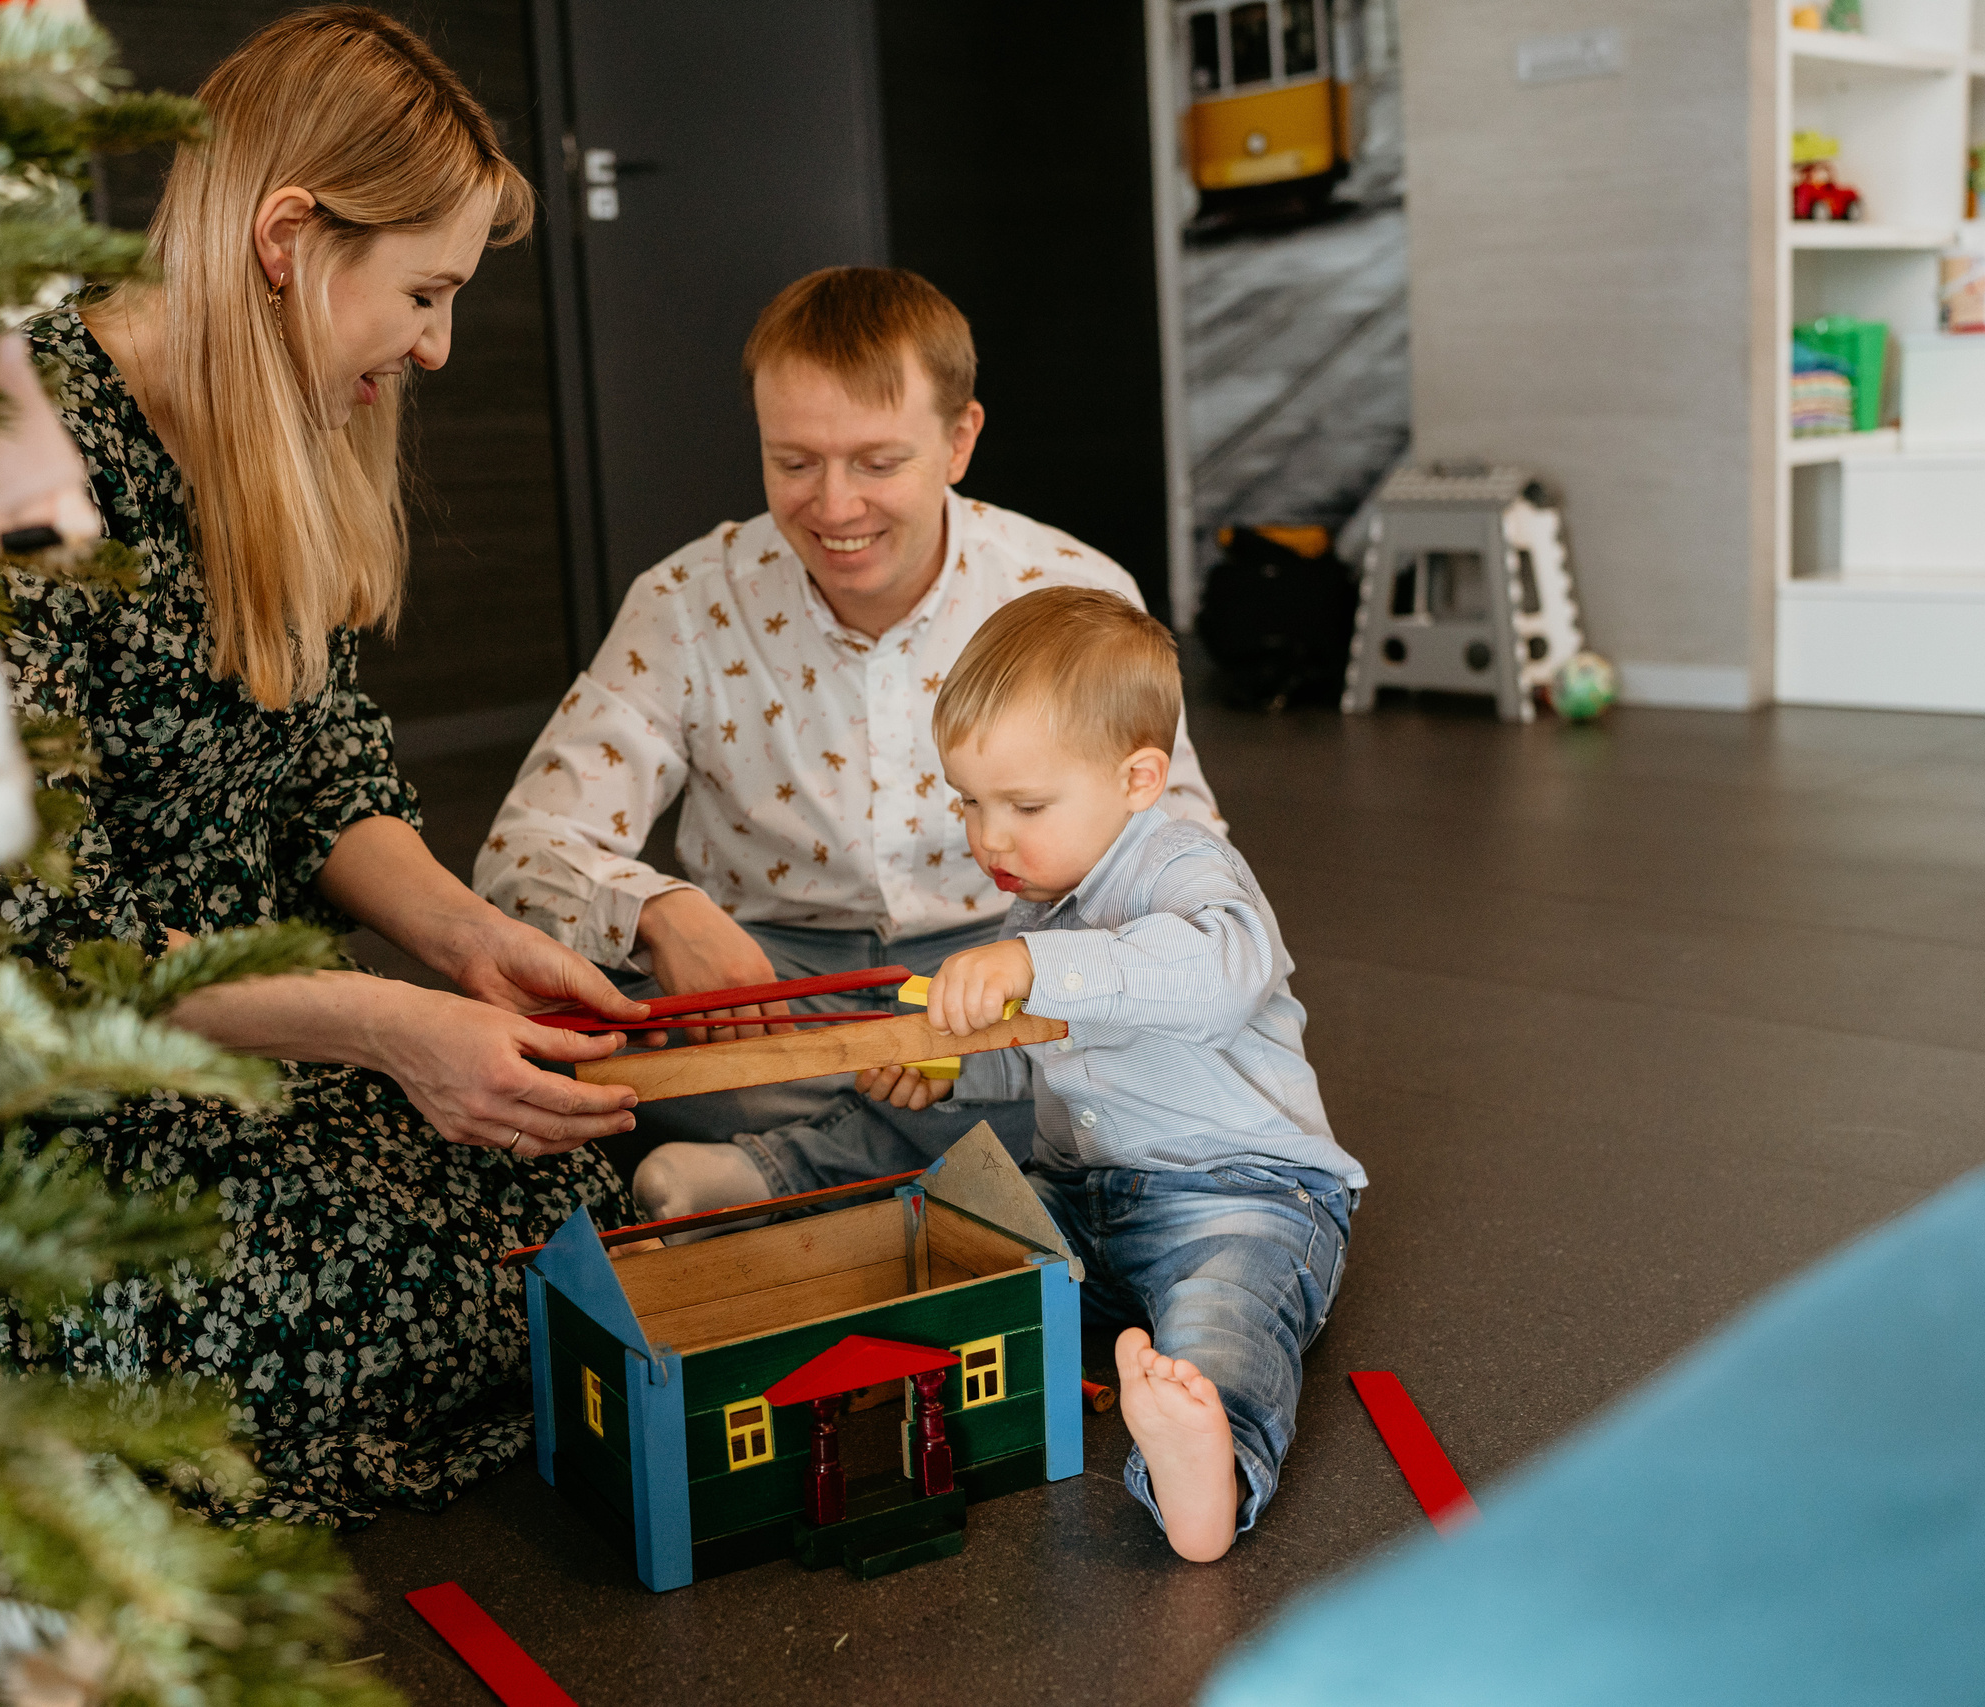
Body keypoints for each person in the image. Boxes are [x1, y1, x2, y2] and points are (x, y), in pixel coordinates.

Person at [0, 7, 650, 1527]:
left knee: (560, 1186)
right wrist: (383, 1026)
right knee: (400, 1298)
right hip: (34, 1085)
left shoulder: (260, 433)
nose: (436, 344)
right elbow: (30, 956)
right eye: (422, 293)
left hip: (229, 1035)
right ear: (288, 237)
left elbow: (318, 764)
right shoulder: (6, 458)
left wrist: (461, 943)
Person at [477, 267, 1220, 1221]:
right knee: (549, 1024)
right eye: (794, 463)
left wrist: (1050, 976)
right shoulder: (683, 603)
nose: (833, 508)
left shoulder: (1070, 587)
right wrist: (659, 911)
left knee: (1161, 1032)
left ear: (960, 440)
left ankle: (788, 1173)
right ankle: (944, 1162)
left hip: (1010, 969)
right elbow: (517, 853)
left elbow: (1187, 855)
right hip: (771, 992)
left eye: (876, 463)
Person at [859, 586, 1363, 1562]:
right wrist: (958, 1073)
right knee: (959, 1235)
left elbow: (1218, 974)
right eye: (968, 802)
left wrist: (1030, 969)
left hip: (1239, 1194)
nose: (987, 838)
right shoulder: (1041, 897)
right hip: (1085, 1198)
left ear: (1138, 779)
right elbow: (1058, 1060)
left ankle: (1209, 1468)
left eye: (1024, 805)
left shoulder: (1187, 866)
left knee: (1223, 1318)